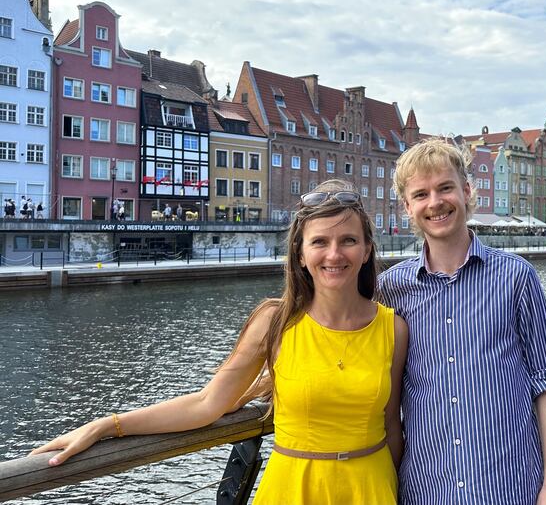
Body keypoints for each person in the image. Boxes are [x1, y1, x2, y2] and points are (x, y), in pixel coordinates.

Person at [32, 179, 409, 504]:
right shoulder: (275, 322)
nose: (333, 254)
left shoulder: (393, 329)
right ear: (300, 253)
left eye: (348, 241)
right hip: (294, 488)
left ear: (365, 251)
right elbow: (207, 403)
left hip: (371, 487)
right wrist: (107, 425)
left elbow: (391, 425)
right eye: (319, 242)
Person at [379, 138, 546, 504]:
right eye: (421, 194)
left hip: (508, 484)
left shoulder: (515, 277)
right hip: (428, 487)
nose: (435, 202)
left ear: (467, 191)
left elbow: (545, 378)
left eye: (445, 187)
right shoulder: (392, 290)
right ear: (407, 207)